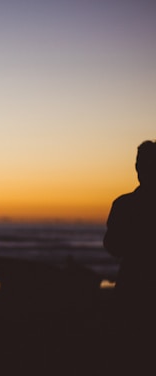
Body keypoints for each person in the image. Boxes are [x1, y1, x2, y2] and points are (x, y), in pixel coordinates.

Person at [103, 140, 156, 373]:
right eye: (139, 163)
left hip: (132, 284)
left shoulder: (124, 204)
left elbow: (113, 246)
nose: (139, 169)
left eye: (142, 164)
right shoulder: (123, 204)